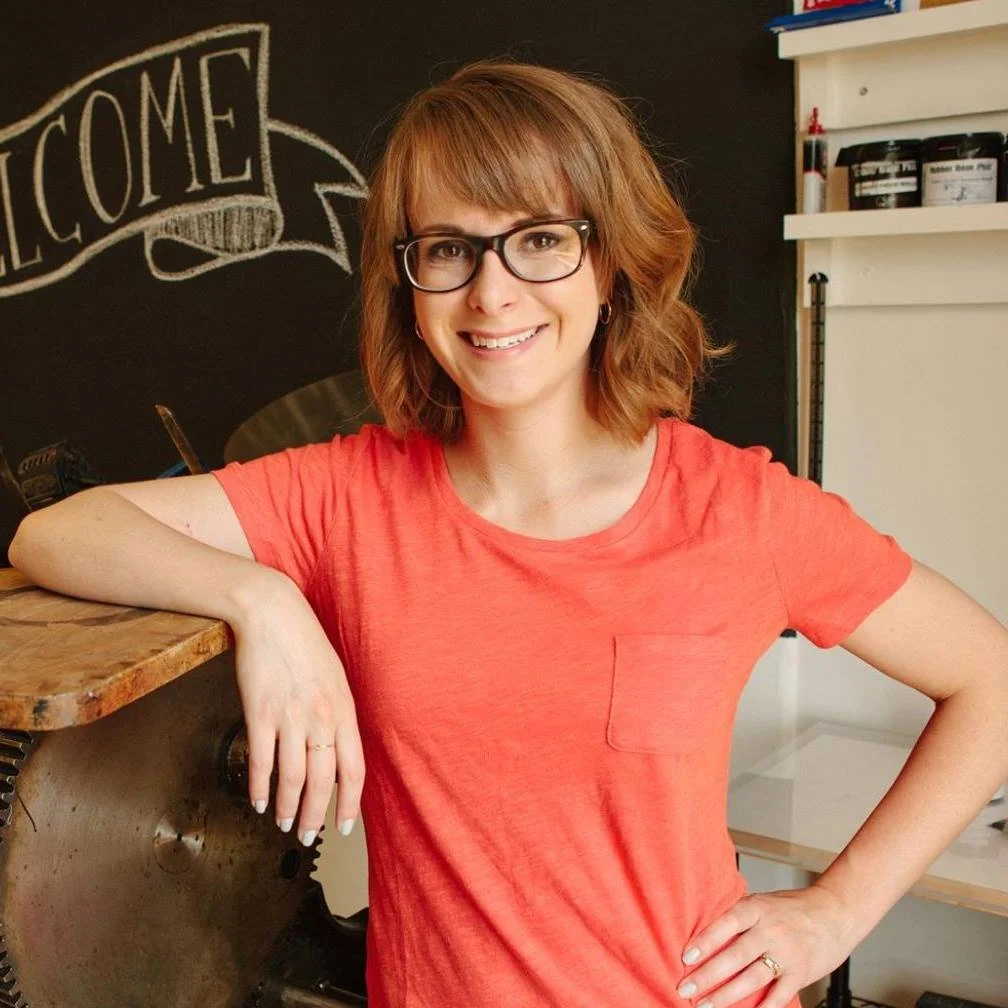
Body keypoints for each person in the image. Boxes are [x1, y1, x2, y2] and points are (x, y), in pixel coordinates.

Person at [9, 61, 1008, 1008]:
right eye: (449, 249)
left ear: (610, 263)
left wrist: (839, 909)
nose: (490, 294)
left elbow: (990, 682)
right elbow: (57, 532)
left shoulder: (738, 509)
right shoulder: (349, 496)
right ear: (409, 285)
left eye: (538, 240)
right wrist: (264, 602)